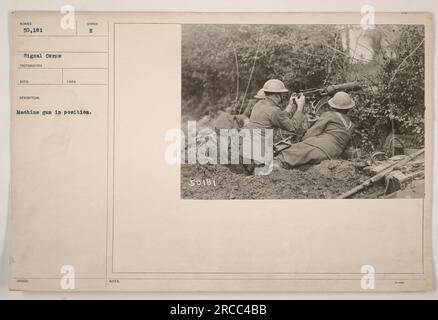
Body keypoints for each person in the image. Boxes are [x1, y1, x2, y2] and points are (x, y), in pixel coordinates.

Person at [274, 91, 355, 168]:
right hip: (332, 154)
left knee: (289, 154)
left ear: (332, 106)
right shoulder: (351, 125)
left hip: (319, 147)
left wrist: (303, 141)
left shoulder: (329, 115)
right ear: (349, 108)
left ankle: (276, 164)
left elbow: (312, 133)